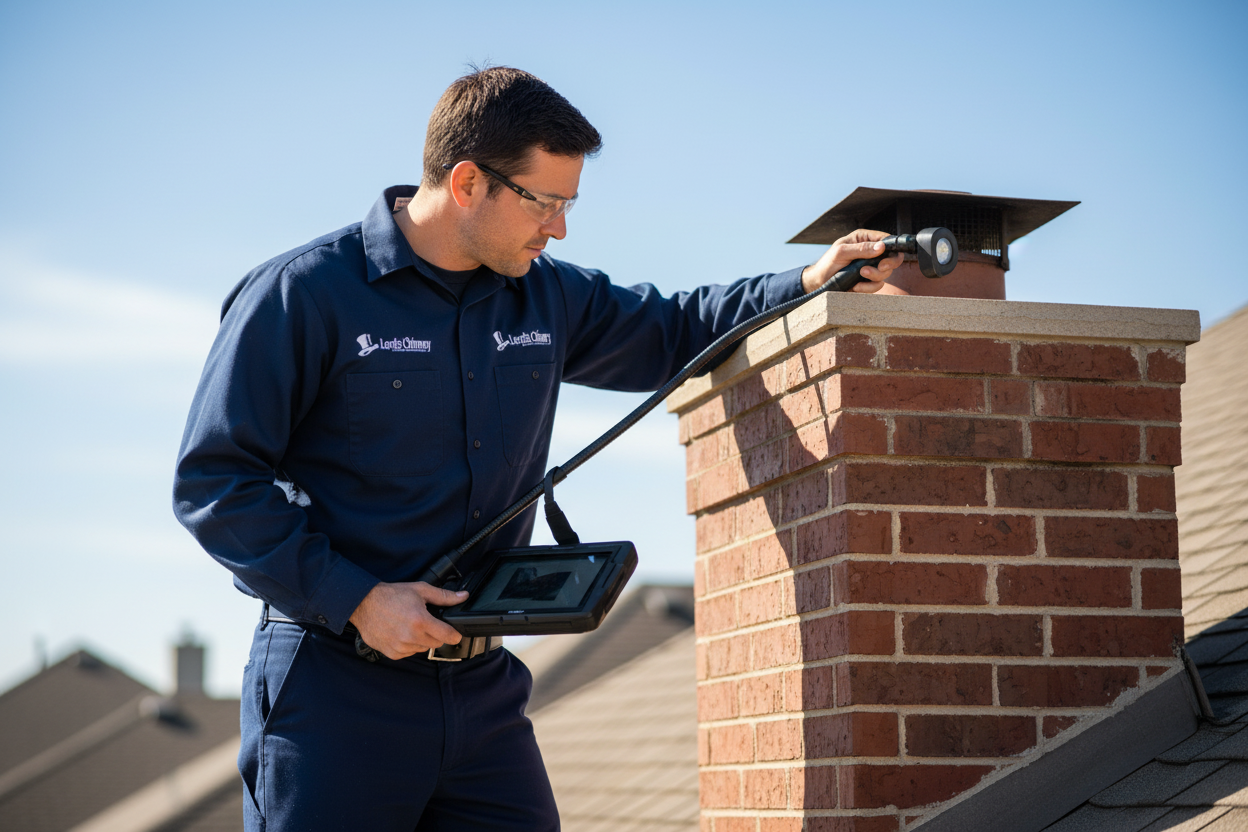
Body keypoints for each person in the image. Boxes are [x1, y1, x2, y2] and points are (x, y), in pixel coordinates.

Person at [172, 66, 902, 831]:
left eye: (568, 204)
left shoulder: (546, 295)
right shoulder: (305, 293)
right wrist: (356, 598)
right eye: (545, 202)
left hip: (482, 695)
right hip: (331, 691)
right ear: (466, 182)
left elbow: (679, 328)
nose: (558, 228)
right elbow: (216, 483)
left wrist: (812, 279)